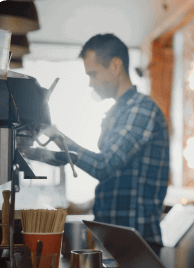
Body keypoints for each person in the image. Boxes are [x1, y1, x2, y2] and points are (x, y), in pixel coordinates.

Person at [46, 34, 169, 254]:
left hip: (136, 240)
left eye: (93, 74)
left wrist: (59, 139)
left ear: (115, 65)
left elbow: (105, 166)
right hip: (115, 236)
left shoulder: (141, 108)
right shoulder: (117, 113)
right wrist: (84, 205)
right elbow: (120, 181)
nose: (91, 83)